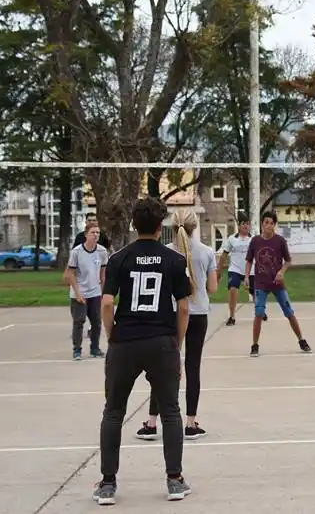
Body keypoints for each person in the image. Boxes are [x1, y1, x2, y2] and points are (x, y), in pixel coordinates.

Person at [93, 198, 193, 506]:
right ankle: (174, 480)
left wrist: (112, 336)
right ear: (160, 226)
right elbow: (185, 307)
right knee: (171, 411)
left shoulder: (119, 259)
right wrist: (176, 343)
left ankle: (108, 483)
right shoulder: (174, 260)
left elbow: (107, 303)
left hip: (125, 341)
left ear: (134, 225)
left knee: (113, 411)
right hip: (161, 341)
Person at [136, 210, 217, 442]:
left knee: (161, 368)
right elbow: (212, 288)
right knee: (193, 367)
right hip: (198, 313)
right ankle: (191, 423)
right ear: (195, 226)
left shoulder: (165, 253)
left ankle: (152, 422)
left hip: (170, 313)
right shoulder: (206, 252)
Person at [245, 211, 311, 357]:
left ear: (275, 225)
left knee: (289, 312)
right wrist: (246, 276)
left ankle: (301, 340)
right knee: (259, 312)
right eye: (265, 222)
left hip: (277, 283)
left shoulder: (280, 241)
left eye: (271, 223)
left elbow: (288, 261)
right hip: (261, 283)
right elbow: (249, 260)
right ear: (262, 224)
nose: (268, 226)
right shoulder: (255, 241)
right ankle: (255, 345)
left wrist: (282, 271)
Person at [63, 223, 109, 360]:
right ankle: (77, 349)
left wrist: (103, 293)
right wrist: (77, 293)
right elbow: (70, 273)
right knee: (79, 320)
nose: (96, 235)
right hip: (80, 291)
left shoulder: (102, 252)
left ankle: (95, 348)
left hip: (94, 291)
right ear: (86, 235)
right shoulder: (77, 252)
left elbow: (103, 274)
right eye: (93, 232)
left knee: (96, 321)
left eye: (98, 233)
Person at [218, 214, 265, 324]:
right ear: (239, 226)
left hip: (250, 270)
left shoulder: (254, 239)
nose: (245, 226)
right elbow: (224, 255)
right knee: (233, 289)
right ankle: (232, 316)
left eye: (247, 224)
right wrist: (218, 270)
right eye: (243, 224)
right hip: (235, 269)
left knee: (255, 294)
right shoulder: (232, 239)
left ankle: (260, 312)